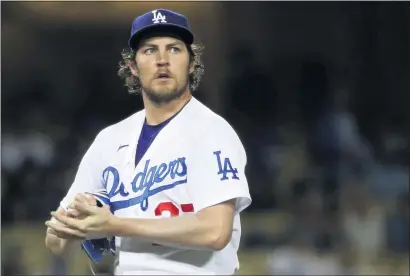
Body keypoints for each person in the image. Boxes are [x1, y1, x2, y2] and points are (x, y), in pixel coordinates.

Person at [45, 8, 252, 275]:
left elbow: (215, 231)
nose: (162, 60)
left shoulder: (211, 131)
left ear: (191, 64)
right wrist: (75, 226)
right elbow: (56, 242)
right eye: (150, 50)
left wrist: (113, 225)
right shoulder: (109, 141)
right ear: (133, 66)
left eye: (174, 49)